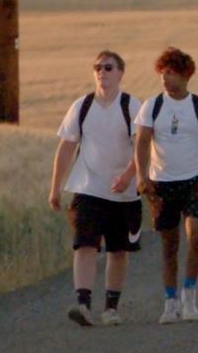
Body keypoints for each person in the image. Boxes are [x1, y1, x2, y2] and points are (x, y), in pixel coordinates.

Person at [47, 50, 141, 327]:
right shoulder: (82, 106)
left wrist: (128, 177)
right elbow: (66, 147)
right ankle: (83, 304)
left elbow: (142, 148)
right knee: (84, 245)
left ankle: (111, 308)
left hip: (123, 193)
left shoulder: (131, 106)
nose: (102, 72)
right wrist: (55, 187)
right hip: (88, 188)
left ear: (120, 73)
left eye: (108, 67)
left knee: (118, 250)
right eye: (97, 67)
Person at [133, 46, 198, 324]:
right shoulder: (152, 106)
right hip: (161, 183)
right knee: (169, 244)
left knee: (195, 237)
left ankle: (190, 294)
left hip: (194, 180)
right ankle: (170, 301)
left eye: (171, 72)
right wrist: (141, 176)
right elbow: (142, 143)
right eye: (162, 72)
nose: (165, 78)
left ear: (185, 75)